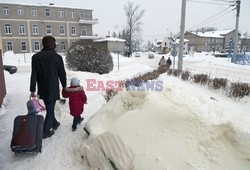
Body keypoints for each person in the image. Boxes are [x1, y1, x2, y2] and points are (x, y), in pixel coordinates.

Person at [30, 36, 66, 139]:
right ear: (53, 44)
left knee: (49, 107)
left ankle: (54, 124)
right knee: (50, 110)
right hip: (53, 88)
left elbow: (34, 74)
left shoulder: (36, 57)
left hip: (42, 88)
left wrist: (33, 89)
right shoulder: (57, 57)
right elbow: (62, 74)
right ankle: (45, 132)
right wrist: (64, 86)